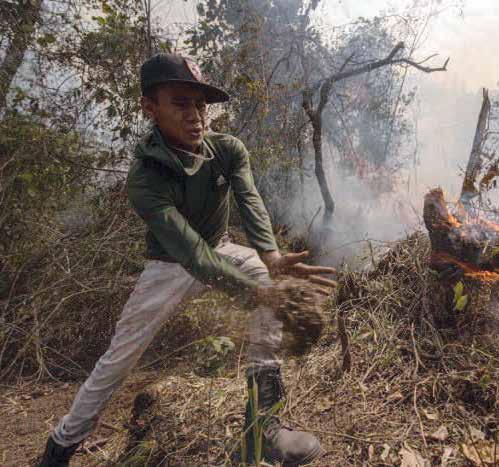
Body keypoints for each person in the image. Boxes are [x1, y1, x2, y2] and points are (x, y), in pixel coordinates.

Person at [38, 53, 335, 466]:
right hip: (168, 265)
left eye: (200, 104)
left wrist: (270, 255)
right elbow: (192, 254)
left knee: (270, 288)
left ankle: (262, 427)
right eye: (180, 103)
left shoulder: (227, 149)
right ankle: (60, 447)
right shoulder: (144, 178)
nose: (195, 115)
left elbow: (249, 200)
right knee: (120, 359)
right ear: (149, 107)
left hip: (220, 248)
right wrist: (256, 292)